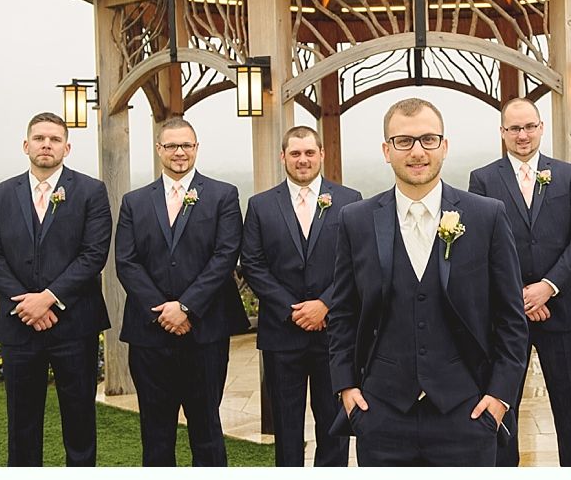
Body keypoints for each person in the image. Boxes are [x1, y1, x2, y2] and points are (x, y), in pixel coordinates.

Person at [327, 97, 528, 466]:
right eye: (403, 141)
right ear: (387, 150)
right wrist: (346, 388)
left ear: (444, 146)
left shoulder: (487, 217)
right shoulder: (355, 220)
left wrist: (499, 397)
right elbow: (343, 313)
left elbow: (511, 317)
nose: (417, 151)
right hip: (381, 413)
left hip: (467, 412)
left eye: (428, 139)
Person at [115, 117, 249, 466]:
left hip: (205, 332)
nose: (179, 152)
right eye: (171, 145)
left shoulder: (223, 195)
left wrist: (186, 307)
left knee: (206, 426)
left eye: (186, 145)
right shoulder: (134, 201)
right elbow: (126, 262)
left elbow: (225, 256)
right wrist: (163, 311)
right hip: (150, 334)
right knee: (155, 431)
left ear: (196, 148)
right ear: (159, 149)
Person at [0, 112, 112, 466]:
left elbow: (93, 254)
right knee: (22, 419)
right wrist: (27, 305)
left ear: (66, 148)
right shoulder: (1, 194)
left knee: (80, 415)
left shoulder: (91, 192)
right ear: (26, 146)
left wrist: (49, 299)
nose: (46, 145)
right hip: (19, 323)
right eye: (39, 138)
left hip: (75, 324)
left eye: (54, 139)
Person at [467, 97, 571, 467]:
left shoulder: (567, 175)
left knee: (569, 404)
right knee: (505, 402)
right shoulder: (484, 178)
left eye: (529, 127)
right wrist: (520, 296)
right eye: (514, 128)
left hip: (562, 309)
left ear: (540, 128)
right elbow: (480, 246)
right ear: (503, 133)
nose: (522, 135)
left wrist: (548, 287)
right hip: (507, 314)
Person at [241, 125, 362, 466]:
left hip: (334, 333)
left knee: (334, 422)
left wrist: (325, 304)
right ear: (283, 157)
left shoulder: (349, 201)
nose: (303, 160)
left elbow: (357, 262)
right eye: (295, 153)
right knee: (286, 424)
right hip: (282, 333)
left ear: (322, 154)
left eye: (310, 152)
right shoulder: (261, 205)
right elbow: (252, 263)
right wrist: (292, 309)